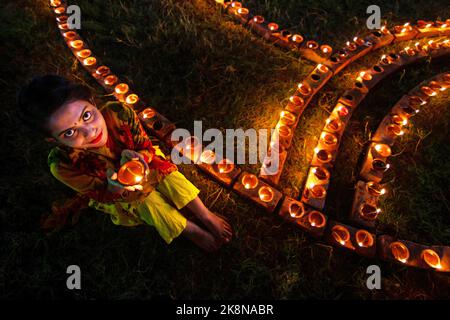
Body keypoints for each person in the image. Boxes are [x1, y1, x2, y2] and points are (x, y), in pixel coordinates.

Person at [17, 75, 232, 252]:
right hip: (119, 194)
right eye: (70, 132)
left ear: (92, 102)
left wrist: (142, 156)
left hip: (146, 164)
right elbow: (97, 193)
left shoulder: (118, 113)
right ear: (54, 140)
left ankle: (204, 213)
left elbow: (145, 146)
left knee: (170, 177)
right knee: (149, 203)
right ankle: (189, 229)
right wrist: (114, 188)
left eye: (87, 115)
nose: (89, 131)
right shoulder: (62, 164)